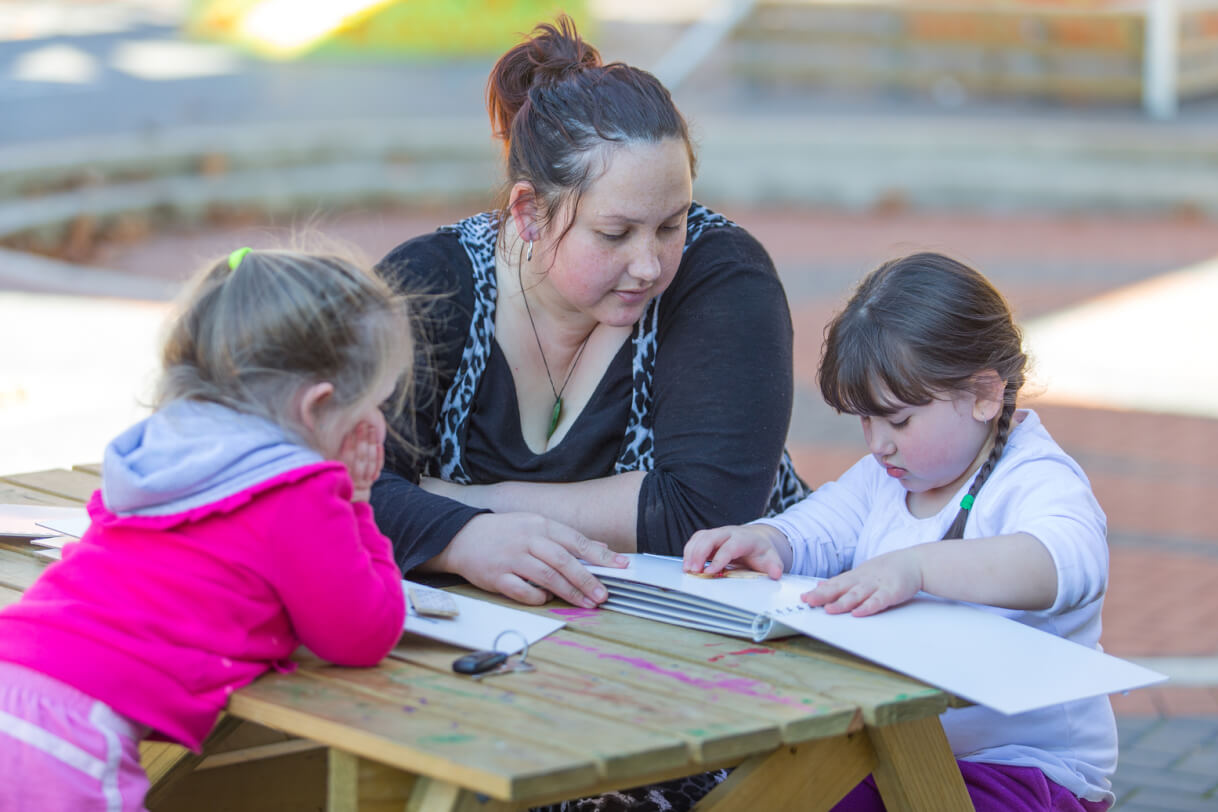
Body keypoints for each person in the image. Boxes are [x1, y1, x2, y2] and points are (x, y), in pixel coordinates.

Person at [372, 15, 809, 612]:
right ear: (528, 213)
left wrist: (456, 505)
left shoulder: (723, 275)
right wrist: (462, 542)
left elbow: (702, 513)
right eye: (615, 233)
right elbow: (344, 485)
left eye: (670, 224)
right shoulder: (426, 286)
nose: (650, 265)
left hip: (730, 631)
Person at [684, 252, 1115, 812]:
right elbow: (816, 529)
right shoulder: (883, 480)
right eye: (865, 419)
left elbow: (1067, 562)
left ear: (985, 394)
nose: (878, 443)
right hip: (887, 746)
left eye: (899, 420)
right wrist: (765, 541)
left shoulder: (1033, 477)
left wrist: (915, 568)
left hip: (1025, 770)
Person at [0, 248, 412, 811]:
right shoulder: (298, 491)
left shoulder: (163, 449)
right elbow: (361, 635)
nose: (379, 424)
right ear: (317, 407)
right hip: (68, 732)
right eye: (373, 406)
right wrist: (359, 501)